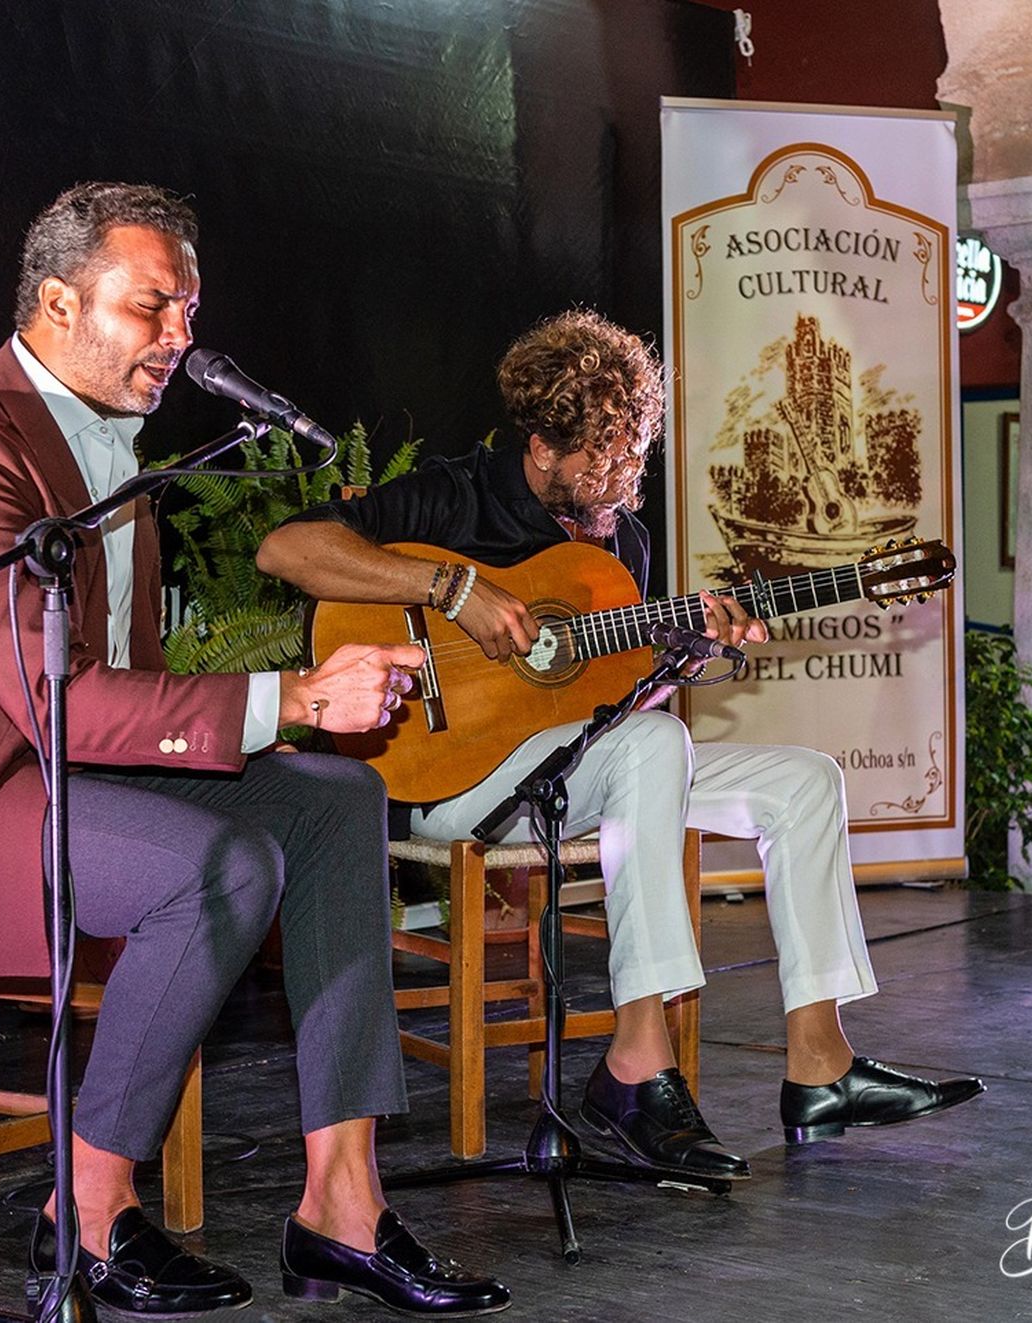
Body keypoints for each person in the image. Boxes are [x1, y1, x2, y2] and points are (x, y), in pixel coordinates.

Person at [0, 182, 509, 1319]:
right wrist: (288, 697)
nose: (181, 338)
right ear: (56, 301)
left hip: (72, 767)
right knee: (218, 867)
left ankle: (342, 1204)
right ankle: (80, 1213)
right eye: (153, 308)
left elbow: (128, 676)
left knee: (334, 801)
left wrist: (316, 711)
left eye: (187, 309)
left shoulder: (118, 442)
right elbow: (57, 704)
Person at [256, 309, 983, 1182]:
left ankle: (820, 1066)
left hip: (572, 769)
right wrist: (452, 588)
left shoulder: (620, 545)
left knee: (802, 779)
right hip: (445, 777)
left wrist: (687, 654)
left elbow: (611, 705)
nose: (619, 476)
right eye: (599, 458)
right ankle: (638, 1061)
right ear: (540, 447)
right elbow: (286, 547)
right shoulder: (459, 496)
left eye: (632, 453)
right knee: (650, 746)